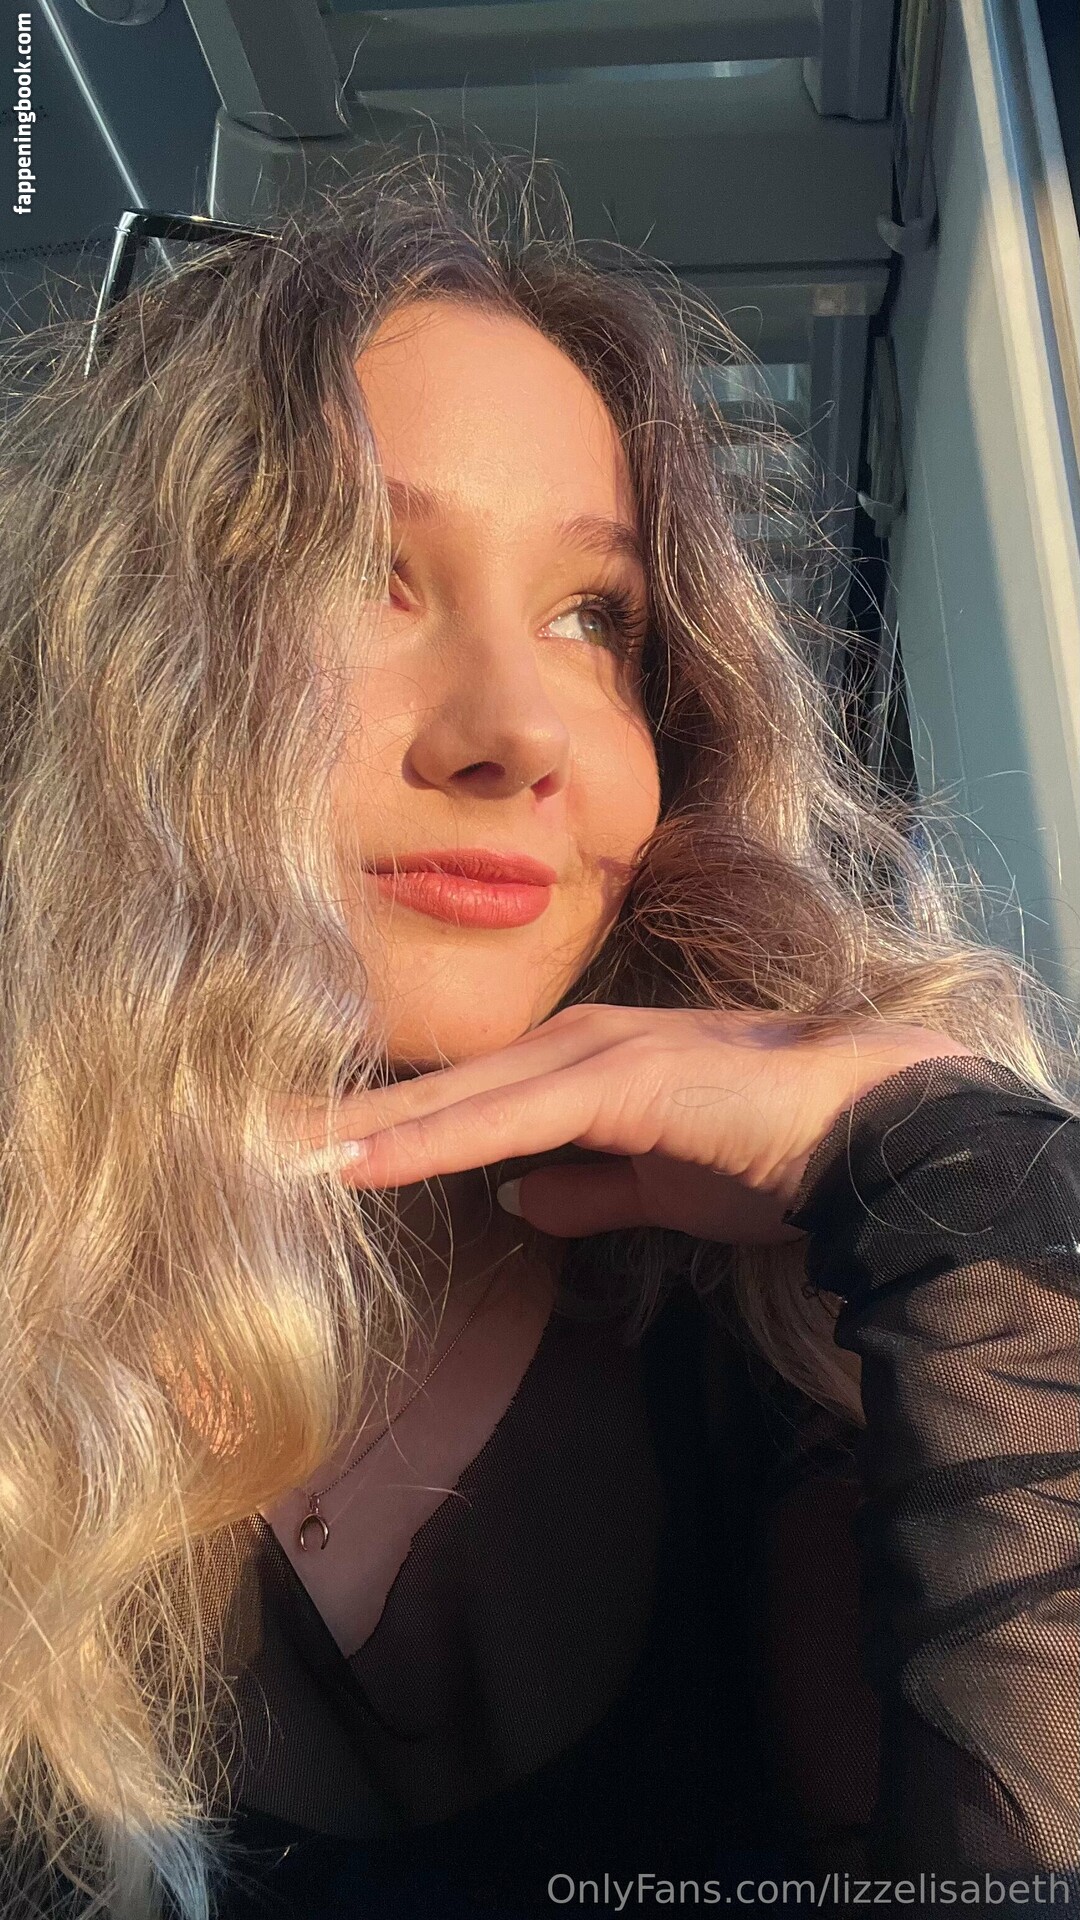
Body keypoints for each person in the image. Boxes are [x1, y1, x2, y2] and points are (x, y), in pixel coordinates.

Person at [0, 142, 1077, 1920]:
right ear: (122, 666)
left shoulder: (806, 1344)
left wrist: (956, 1181)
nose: (519, 730)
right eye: (358, 571)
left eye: (595, 619)